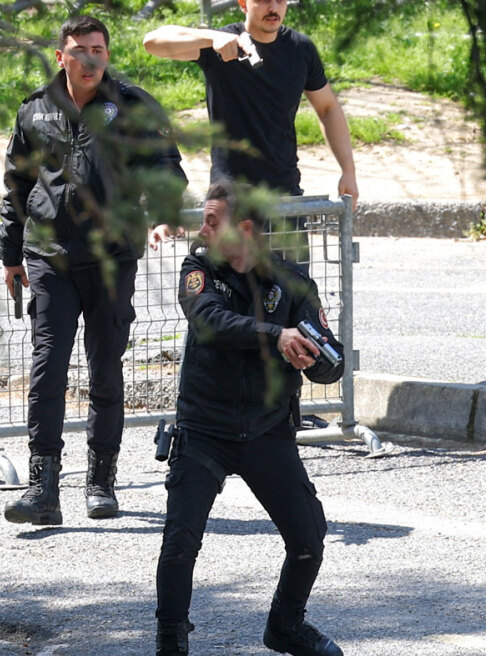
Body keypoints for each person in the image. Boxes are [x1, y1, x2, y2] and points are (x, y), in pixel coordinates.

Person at [0, 15, 187, 525]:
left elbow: (166, 165)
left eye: (98, 50)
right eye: (80, 50)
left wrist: (165, 211)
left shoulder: (132, 105)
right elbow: (17, 184)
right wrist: (10, 253)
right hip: (49, 256)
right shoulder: (35, 109)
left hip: (111, 257)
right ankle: (43, 489)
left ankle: (101, 482)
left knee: (105, 366)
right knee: (48, 366)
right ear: (61, 56)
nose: (90, 60)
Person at [153, 180, 344, 656]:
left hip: (266, 431)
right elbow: (209, 320)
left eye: (211, 221)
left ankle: (286, 627)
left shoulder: (292, 282)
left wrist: (315, 357)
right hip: (204, 429)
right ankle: (170, 642)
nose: (201, 229)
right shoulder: (199, 268)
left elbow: (331, 362)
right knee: (179, 543)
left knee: (309, 538)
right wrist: (276, 335)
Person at [142, 0, 358, 254]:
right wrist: (212, 38)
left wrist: (348, 171)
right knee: (226, 279)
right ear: (243, 4)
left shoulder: (300, 48)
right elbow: (152, 42)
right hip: (229, 197)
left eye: (280, 0)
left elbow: (328, 108)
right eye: (263, 0)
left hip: (285, 193)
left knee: (292, 279)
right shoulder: (220, 44)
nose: (273, 7)